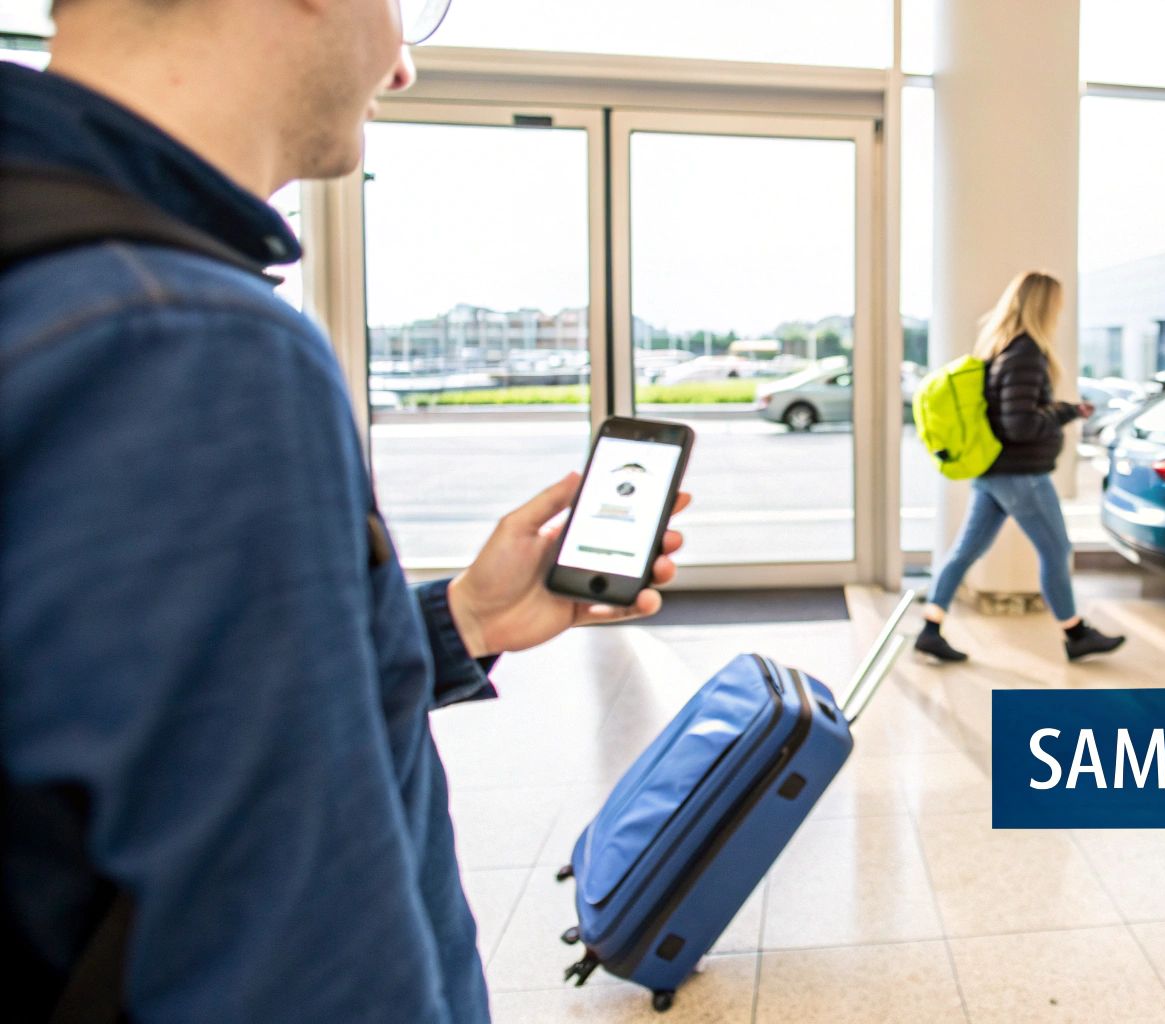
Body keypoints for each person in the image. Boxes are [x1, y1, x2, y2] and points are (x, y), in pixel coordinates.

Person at [0, 1, 684, 1020]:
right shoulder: (186, 344)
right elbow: (295, 963)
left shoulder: (51, 269)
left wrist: (460, 621)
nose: (400, 66)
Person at [916, 271, 1126, 664]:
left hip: (996, 471)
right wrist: (1064, 412)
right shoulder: (1027, 353)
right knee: (1056, 549)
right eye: (1057, 304)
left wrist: (1061, 410)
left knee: (965, 551)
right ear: (1044, 306)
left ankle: (930, 627)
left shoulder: (1001, 349)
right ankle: (1076, 634)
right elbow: (1020, 424)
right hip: (1020, 475)